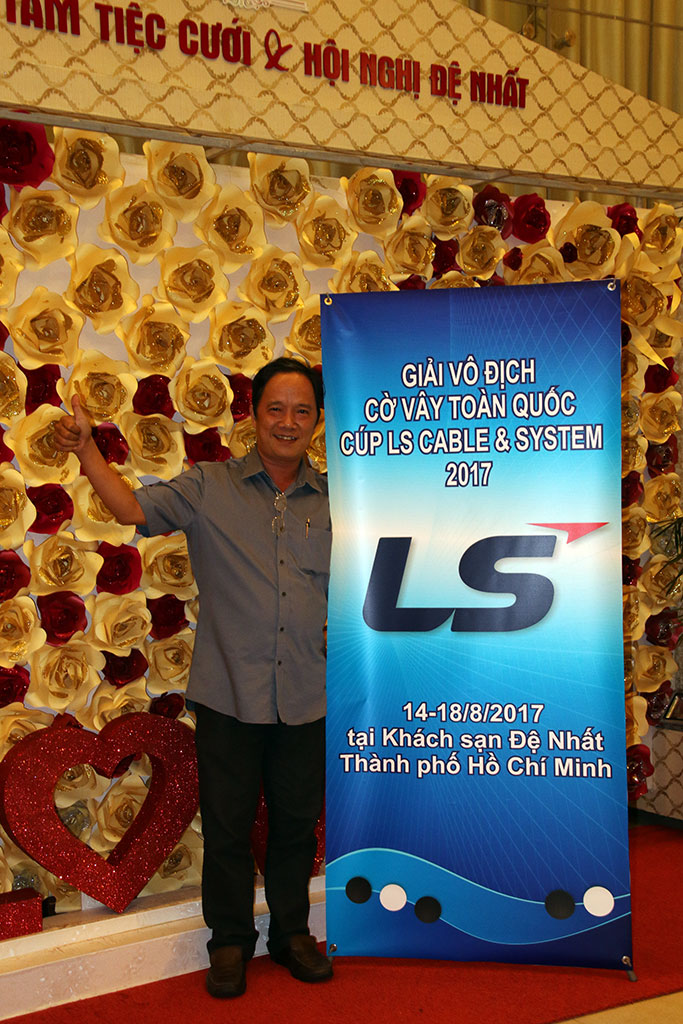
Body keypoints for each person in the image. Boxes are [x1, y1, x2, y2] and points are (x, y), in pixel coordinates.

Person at [54, 357, 333, 998]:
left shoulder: (336, 502)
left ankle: (293, 934)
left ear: (316, 421)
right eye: (276, 408)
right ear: (253, 416)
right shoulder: (210, 486)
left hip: (306, 696)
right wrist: (89, 449)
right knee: (228, 827)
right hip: (229, 693)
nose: (288, 422)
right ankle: (229, 941)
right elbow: (131, 507)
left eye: (302, 411)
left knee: (295, 826)